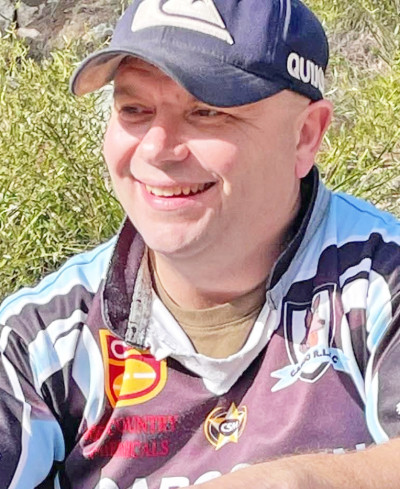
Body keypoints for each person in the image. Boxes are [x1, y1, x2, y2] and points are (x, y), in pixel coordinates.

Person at [0, 0, 399, 488]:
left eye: (207, 111)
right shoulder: (41, 337)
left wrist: (300, 481)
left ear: (305, 137)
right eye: (134, 110)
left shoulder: (381, 282)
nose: (156, 149)